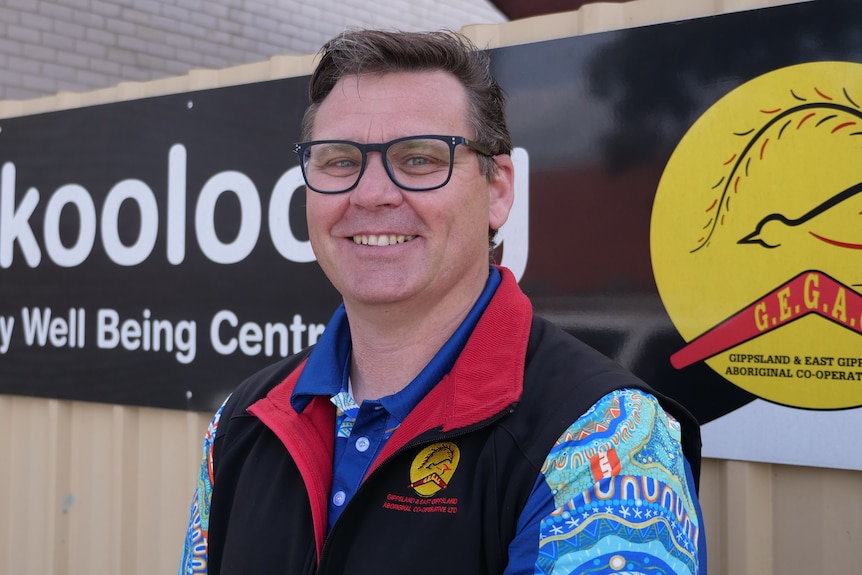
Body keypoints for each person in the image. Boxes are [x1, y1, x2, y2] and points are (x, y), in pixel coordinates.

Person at [179, 29, 706, 575]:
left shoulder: (606, 441)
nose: (371, 193)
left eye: (420, 159)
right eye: (338, 160)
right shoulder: (243, 422)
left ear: (498, 188)